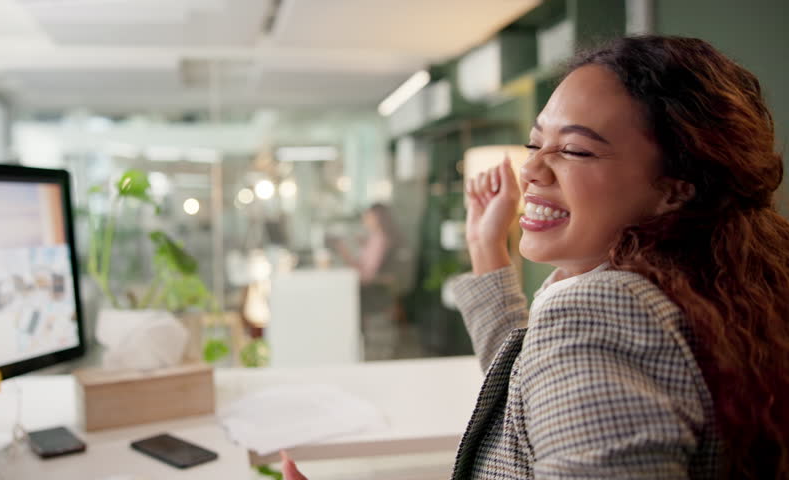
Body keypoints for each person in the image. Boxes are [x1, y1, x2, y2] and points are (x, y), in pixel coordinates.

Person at [283, 35, 789, 479]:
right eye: (535, 143)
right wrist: (488, 247)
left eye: (575, 151)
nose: (531, 171)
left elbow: (579, 351)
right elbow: (540, 387)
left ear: (673, 191)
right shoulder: (721, 286)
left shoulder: (600, 313)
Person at [333, 203, 405, 360]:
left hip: (373, 293)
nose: (365, 220)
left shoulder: (380, 239)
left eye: (368, 217)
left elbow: (366, 276)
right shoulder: (375, 238)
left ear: (377, 219)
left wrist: (345, 254)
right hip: (373, 290)